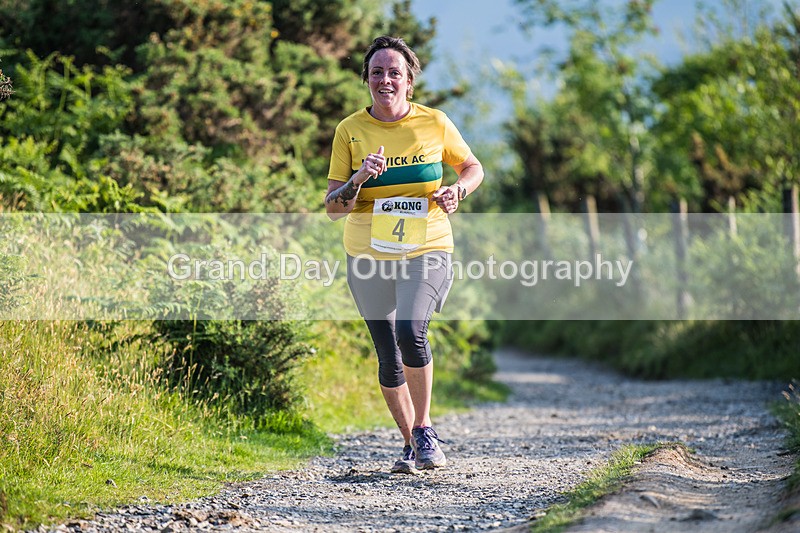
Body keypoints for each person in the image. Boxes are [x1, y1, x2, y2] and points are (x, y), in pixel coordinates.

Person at [324, 35, 484, 473]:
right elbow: (333, 209)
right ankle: (410, 441)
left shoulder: (435, 123)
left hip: (427, 245)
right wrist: (358, 179)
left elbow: (473, 167)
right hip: (367, 253)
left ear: (409, 81)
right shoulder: (350, 131)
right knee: (388, 354)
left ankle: (425, 428)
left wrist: (458, 190)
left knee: (411, 330)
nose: (386, 80)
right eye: (377, 72)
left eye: (395, 72)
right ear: (366, 80)